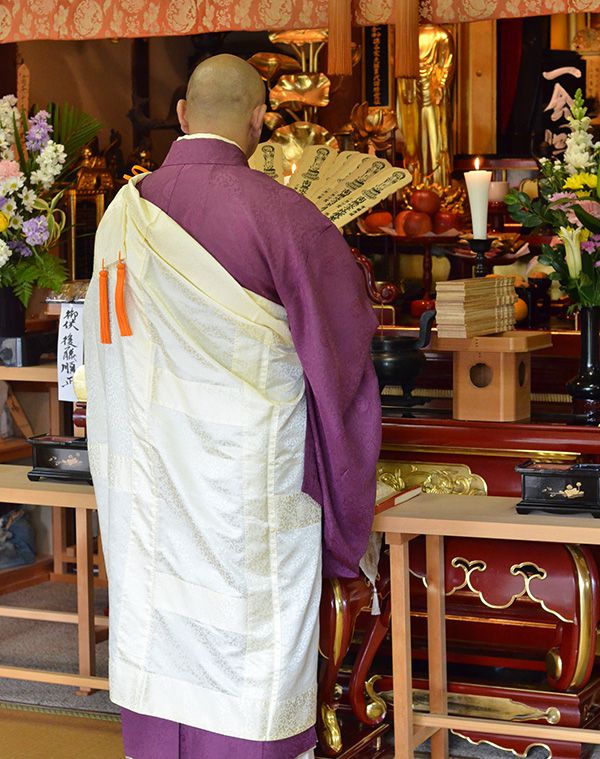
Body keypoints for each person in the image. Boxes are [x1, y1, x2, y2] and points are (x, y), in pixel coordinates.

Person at [84, 54, 381, 759]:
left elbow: (105, 355)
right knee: (243, 655)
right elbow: (341, 368)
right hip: (245, 496)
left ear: (182, 115)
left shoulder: (117, 223)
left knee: (161, 639)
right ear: (259, 121)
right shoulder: (286, 218)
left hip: (147, 493)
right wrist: (344, 525)